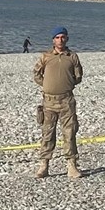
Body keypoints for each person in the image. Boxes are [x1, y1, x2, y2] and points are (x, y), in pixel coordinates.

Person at [32, 27, 84, 179]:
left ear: (67, 39)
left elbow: (78, 77)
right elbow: (36, 73)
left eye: (63, 37)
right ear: (53, 40)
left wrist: (66, 84)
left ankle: (72, 165)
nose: (60, 40)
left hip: (66, 101)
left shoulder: (72, 57)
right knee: (47, 134)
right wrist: (47, 84)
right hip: (48, 101)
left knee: (69, 134)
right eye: (57, 37)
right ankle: (44, 165)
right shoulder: (46, 56)